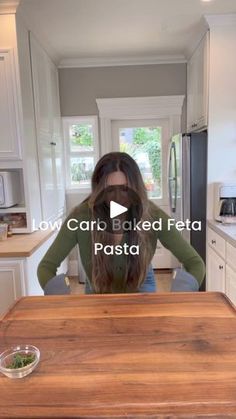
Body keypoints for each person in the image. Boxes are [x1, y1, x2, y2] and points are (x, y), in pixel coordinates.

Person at [38, 152, 205, 294]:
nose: (117, 199)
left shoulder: (154, 216)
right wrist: (60, 301)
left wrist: (182, 297)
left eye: (125, 189)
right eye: (109, 189)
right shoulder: (80, 217)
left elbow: (195, 263)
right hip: (97, 289)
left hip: (141, 284)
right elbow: (46, 266)